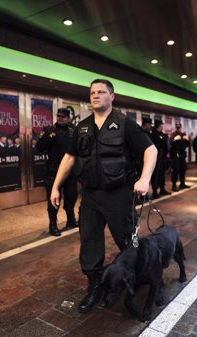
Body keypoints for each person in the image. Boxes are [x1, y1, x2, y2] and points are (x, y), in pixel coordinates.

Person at [50, 79, 157, 313]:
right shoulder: (83, 127)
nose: (96, 96)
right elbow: (69, 158)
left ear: (112, 96)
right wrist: (56, 186)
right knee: (89, 243)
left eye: (101, 92)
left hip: (118, 195)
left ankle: (137, 278)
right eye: (92, 93)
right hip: (89, 195)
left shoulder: (125, 124)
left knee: (129, 243)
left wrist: (145, 179)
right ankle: (95, 286)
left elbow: (150, 150)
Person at [36, 108, 78, 236]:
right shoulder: (49, 130)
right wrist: (49, 137)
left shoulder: (72, 131)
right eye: (58, 116)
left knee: (71, 196)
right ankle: (53, 225)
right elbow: (39, 147)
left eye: (63, 116)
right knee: (54, 199)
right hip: (53, 171)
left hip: (70, 171)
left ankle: (71, 220)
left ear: (68, 118)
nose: (60, 118)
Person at [151, 119, 171, 198]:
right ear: (159, 125)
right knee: (156, 174)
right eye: (162, 124)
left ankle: (162, 189)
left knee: (162, 174)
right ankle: (155, 191)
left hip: (163, 157)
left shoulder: (163, 134)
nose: (163, 126)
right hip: (157, 157)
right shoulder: (154, 134)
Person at [170, 122, 190, 191]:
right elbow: (170, 143)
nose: (179, 129)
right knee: (176, 170)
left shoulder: (183, 134)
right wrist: (175, 139)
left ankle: (182, 183)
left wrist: (187, 140)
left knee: (183, 169)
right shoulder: (173, 134)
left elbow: (187, 145)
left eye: (179, 127)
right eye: (177, 127)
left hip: (182, 155)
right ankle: (174, 185)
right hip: (176, 155)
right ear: (176, 128)